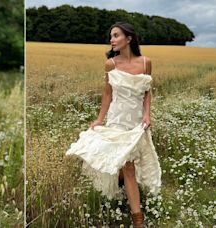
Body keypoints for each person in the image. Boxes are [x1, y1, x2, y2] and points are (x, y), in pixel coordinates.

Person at [66, 22, 161, 228]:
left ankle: (122, 182)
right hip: (117, 119)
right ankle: (138, 219)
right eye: (111, 36)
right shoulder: (111, 64)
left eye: (116, 35)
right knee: (129, 167)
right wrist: (100, 120)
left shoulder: (146, 63)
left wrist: (147, 114)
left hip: (136, 122)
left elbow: (147, 92)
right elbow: (107, 94)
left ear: (129, 38)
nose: (112, 40)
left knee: (131, 162)